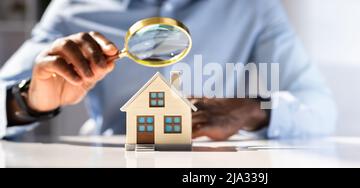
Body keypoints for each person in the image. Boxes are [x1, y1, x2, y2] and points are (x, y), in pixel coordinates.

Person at [0, 0, 337, 140]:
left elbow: (321, 110)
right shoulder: (72, 7)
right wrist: (29, 99)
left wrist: (251, 110)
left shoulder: (251, 6)